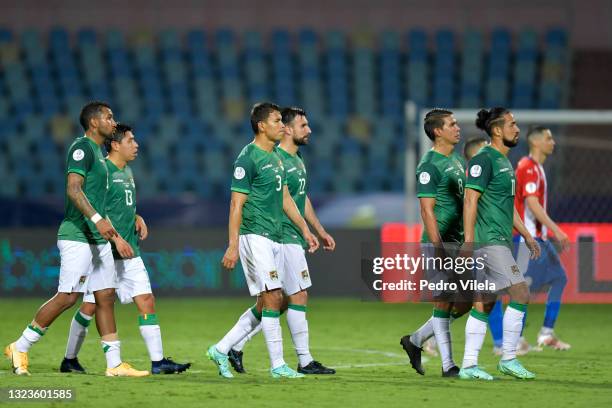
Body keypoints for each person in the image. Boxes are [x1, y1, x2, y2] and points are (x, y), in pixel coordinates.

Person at [5, 102, 146, 376]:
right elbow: (73, 189)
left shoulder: (100, 157)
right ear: (94, 123)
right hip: (77, 235)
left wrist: (116, 233)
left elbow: (99, 202)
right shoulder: (81, 148)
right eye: (109, 117)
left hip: (98, 238)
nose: (113, 122)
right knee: (69, 296)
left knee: (105, 296)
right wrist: (97, 221)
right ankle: (20, 345)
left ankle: (114, 364)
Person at [59, 124, 191, 375]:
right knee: (89, 307)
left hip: (131, 252)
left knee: (146, 300)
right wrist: (116, 239)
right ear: (116, 144)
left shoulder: (127, 170)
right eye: (131, 140)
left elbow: (119, 207)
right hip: (104, 251)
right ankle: (69, 358)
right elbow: (96, 209)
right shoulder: (103, 171)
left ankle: (158, 362)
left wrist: (136, 216)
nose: (136, 144)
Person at [207, 102, 319, 379]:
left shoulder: (276, 158)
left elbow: (285, 198)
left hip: (276, 236)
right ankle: (278, 365)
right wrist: (233, 244)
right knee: (273, 297)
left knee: (269, 300)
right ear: (261, 126)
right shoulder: (248, 158)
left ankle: (221, 349)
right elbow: (236, 204)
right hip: (254, 235)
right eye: (278, 121)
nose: (283, 126)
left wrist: (305, 229)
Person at [459, 107, 541, 380]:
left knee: (485, 302)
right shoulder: (484, 160)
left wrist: (527, 235)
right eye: (512, 124)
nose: (517, 129)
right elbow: (470, 200)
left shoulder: (505, 162)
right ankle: (508, 357)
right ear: (496, 130)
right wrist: (469, 242)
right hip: (488, 242)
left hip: (499, 240)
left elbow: (509, 208)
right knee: (520, 293)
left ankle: (469, 365)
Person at [400, 109, 470, 377]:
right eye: (452, 124)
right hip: (439, 243)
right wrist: (438, 247)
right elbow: (427, 210)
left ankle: (415, 340)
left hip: (459, 241)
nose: (457, 128)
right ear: (438, 131)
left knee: (467, 301)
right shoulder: (429, 164)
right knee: (444, 301)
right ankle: (449, 366)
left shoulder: (454, 160)